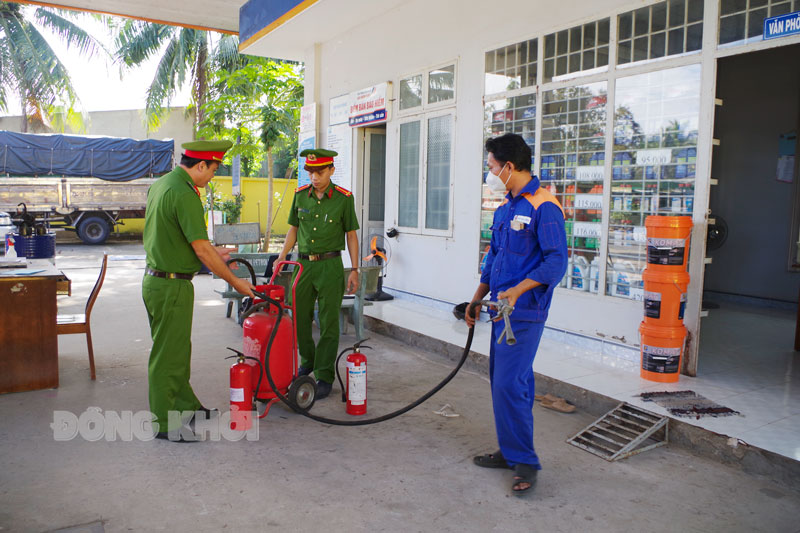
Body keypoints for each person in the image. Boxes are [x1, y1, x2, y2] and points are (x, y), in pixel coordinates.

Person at [466, 133, 568, 494]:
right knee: (509, 383)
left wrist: (520, 289)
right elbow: (494, 256)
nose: (489, 173)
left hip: (524, 313)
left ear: (508, 166)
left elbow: (557, 262)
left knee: (509, 383)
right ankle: (512, 451)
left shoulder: (544, 206)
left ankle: (525, 461)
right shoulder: (506, 207)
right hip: (499, 311)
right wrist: (478, 297)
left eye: (491, 167)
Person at [143, 140, 256, 442]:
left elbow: (174, 236)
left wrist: (211, 252)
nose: (211, 179)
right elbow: (201, 248)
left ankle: (186, 407)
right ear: (201, 165)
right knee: (167, 354)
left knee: (178, 350)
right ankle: (165, 422)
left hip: (160, 279)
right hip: (171, 284)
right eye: (212, 170)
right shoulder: (184, 193)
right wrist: (235, 281)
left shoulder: (164, 184)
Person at [277, 148, 360, 400]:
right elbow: (293, 229)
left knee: (328, 322)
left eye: (320, 172)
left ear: (331, 170)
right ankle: (308, 362)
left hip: (330, 266)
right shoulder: (300, 196)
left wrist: (354, 269)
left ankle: (324, 375)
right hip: (303, 266)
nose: (314, 177)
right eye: (311, 172)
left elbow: (351, 235)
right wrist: (283, 256)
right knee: (300, 318)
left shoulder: (344, 198)